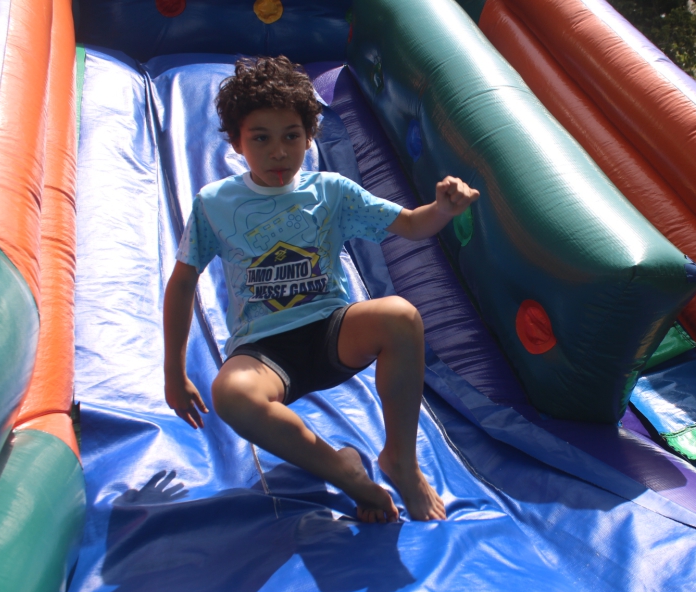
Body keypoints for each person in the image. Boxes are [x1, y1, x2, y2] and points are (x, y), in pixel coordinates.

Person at [162, 56, 479, 523]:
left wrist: (443, 209)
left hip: (331, 331)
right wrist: (173, 372)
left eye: (291, 136)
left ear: (310, 137)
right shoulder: (216, 203)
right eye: (260, 138)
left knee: (400, 315)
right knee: (230, 393)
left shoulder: (331, 191)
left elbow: (412, 225)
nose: (278, 152)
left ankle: (401, 461)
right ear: (235, 141)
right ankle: (345, 472)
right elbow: (183, 280)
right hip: (264, 350)